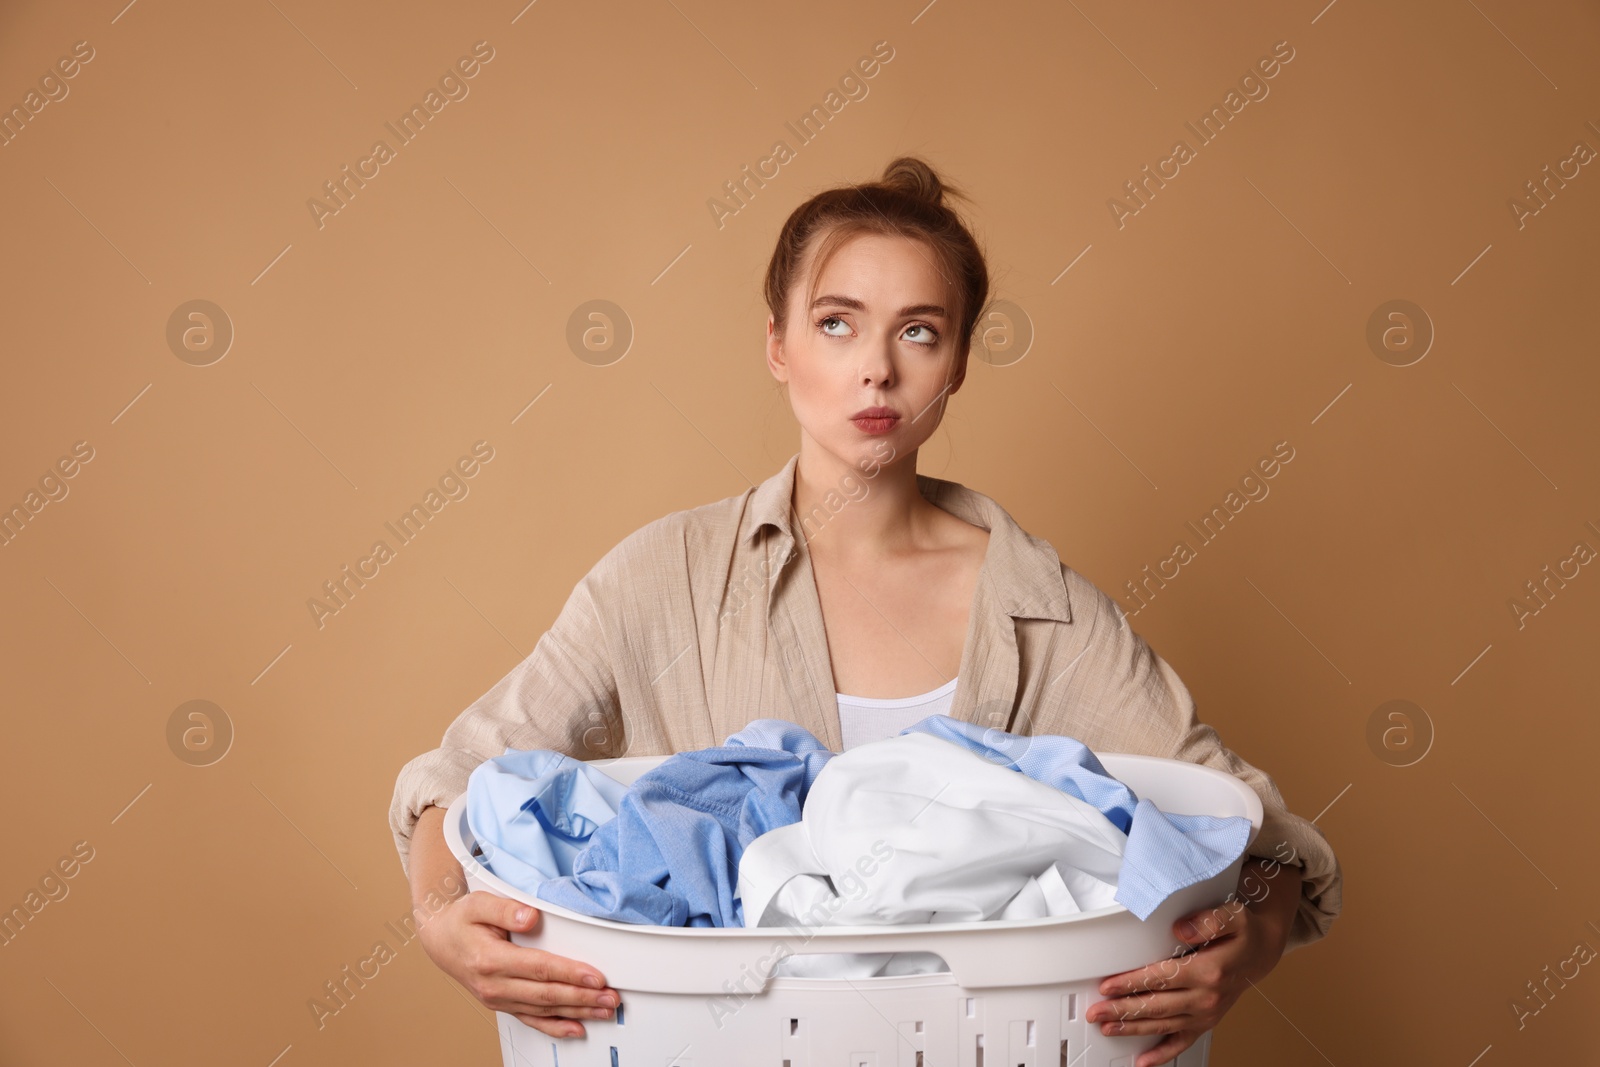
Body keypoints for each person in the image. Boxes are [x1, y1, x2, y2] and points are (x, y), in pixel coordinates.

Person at [389, 156, 1342, 1067]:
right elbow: (458, 780)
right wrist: (442, 916)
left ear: (959, 360)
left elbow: (1251, 829)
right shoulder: (664, 578)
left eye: (919, 331)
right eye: (838, 324)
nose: (877, 369)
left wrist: (1247, 946)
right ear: (778, 343)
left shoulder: (1041, 608)